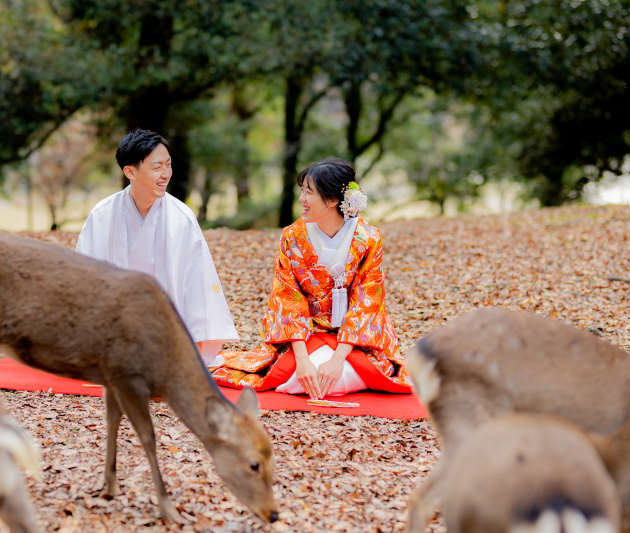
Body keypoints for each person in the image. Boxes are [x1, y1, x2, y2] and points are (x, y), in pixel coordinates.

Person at [210, 157, 411, 398]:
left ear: (333, 200)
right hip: (306, 335)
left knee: (341, 376)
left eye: (309, 192)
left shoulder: (368, 238)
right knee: (300, 377)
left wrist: (337, 360)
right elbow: (287, 299)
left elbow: (367, 303)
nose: (301, 199)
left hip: (356, 339)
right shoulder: (292, 237)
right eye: (302, 191)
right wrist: (302, 360)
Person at [75, 129, 239, 364]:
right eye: (157, 167)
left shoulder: (181, 217)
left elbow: (197, 283)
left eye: (168, 165)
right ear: (130, 172)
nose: (166, 174)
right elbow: (83, 278)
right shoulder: (102, 215)